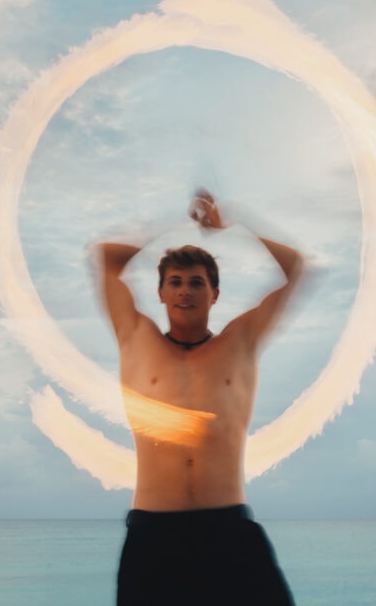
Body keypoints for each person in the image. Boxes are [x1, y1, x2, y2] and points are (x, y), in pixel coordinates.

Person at [98, 189, 302, 606]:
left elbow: (294, 267)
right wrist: (176, 223)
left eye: (196, 283)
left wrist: (234, 223)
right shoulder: (135, 338)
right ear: (160, 293)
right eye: (175, 282)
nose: (185, 291)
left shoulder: (240, 342)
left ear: (215, 294)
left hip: (228, 533)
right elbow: (108, 259)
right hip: (153, 536)